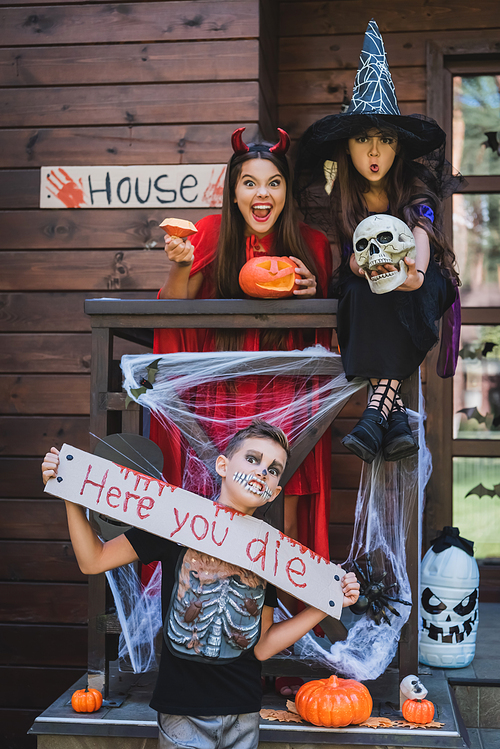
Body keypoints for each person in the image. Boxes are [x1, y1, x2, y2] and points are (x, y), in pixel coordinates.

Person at [41, 420, 359, 749]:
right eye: (252, 459)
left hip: (242, 714)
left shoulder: (270, 554)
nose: (262, 471)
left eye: (273, 469)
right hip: (182, 713)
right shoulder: (174, 520)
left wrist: (325, 605)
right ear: (223, 465)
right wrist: (70, 496)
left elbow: (261, 645)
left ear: (275, 491)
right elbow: (93, 560)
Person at [152, 127, 333, 559]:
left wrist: (317, 298)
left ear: (286, 191)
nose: (261, 194)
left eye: (273, 182)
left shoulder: (313, 244)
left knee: (283, 517)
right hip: (224, 396)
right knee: (217, 509)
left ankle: (276, 616)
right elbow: (171, 309)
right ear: (233, 193)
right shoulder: (213, 233)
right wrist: (179, 267)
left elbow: (327, 337)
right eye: (249, 183)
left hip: (287, 396)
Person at [294, 19, 462, 464]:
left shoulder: (415, 188)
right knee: (357, 289)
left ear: (398, 148)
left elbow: (422, 230)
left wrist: (415, 271)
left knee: (413, 290)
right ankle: (390, 418)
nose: (373, 153)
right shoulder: (343, 196)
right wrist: (359, 266)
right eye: (362, 139)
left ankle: (373, 412)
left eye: (385, 140)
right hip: (367, 280)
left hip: (420, 279)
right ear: (346, 148)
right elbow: (352, 259)